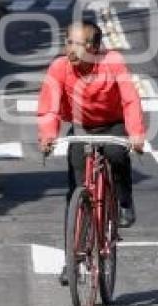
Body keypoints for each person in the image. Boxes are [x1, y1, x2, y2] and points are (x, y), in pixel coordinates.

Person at [37, 21, 146, 285]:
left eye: (78, 44)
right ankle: (72, 260)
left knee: (116, 154)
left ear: (95, 47)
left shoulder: (113, 62)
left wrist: (136, 135)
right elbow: (49, 107)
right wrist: (48, 136)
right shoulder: (60, 67)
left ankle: (123, 202)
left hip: (113, 124)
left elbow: (130, 100)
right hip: (81, 126)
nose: (70, 49)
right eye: (68, 42)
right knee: (75, 186)